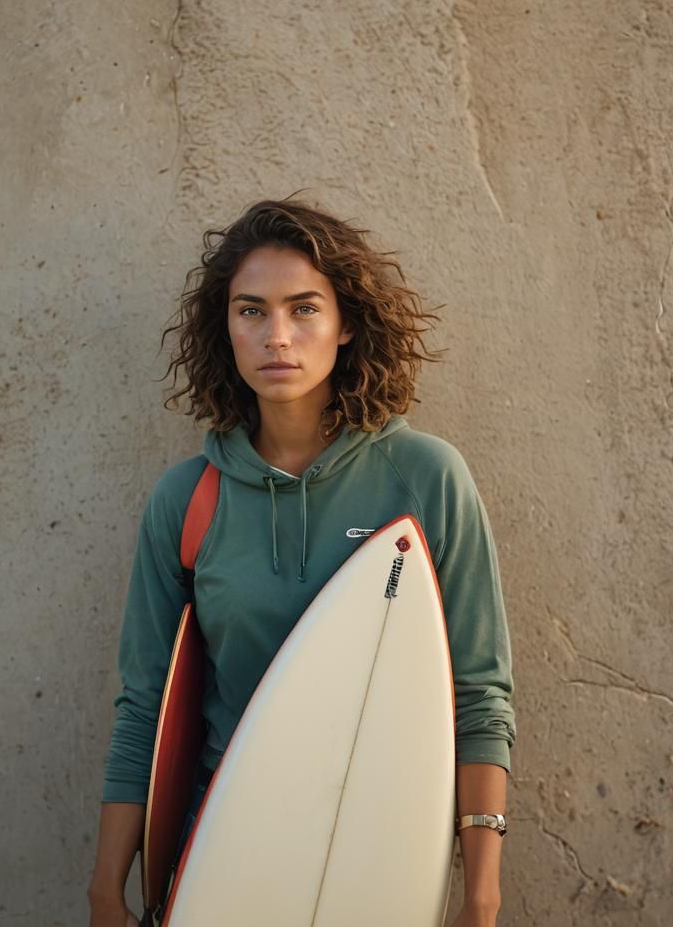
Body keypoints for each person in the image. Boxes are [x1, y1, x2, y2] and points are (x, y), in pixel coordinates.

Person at [87, 198, 516, 927]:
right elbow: (145, 712)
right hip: (226, 850)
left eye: (304, 309)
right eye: (251, 311)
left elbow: (478, 695)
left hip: (379, 856)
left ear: (347, 324)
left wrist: (480, 892)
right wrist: (106, 890)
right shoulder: (188, 499)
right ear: (225, 329)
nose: (276, 336)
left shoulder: (424, 478)